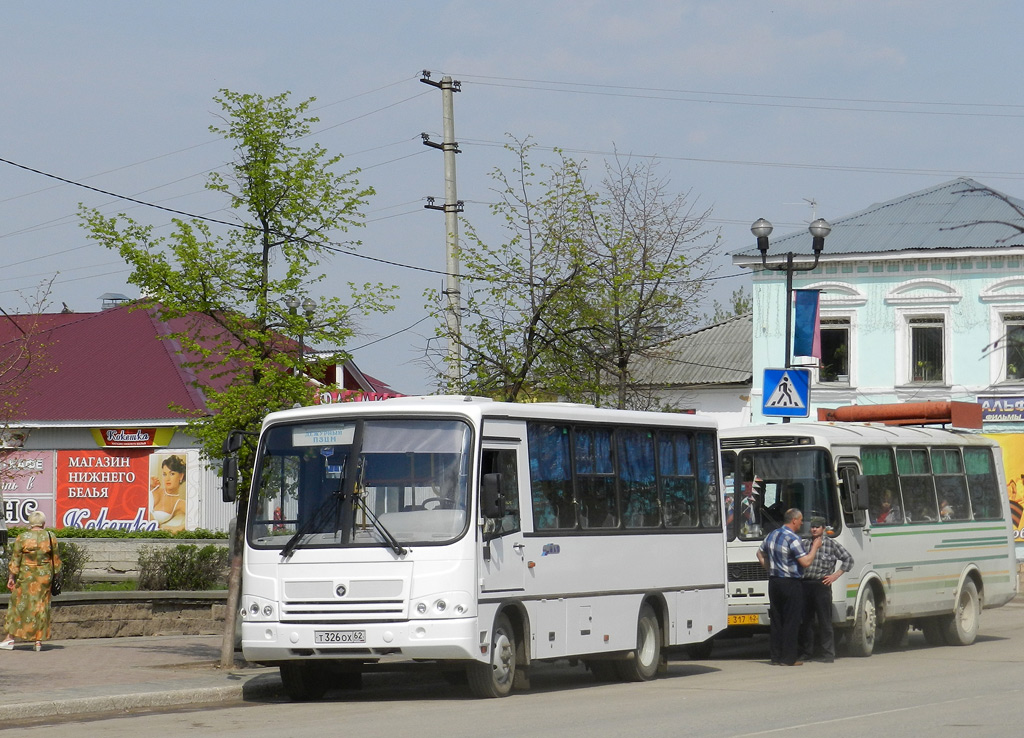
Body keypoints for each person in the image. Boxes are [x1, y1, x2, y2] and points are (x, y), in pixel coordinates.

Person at [756, 508, 822, 666]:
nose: (801, 523)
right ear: (794, 520)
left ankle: (776, 656)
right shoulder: (793, 539)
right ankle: (788, 658)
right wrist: (815, 547)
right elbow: (805, 562)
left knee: (777, 620)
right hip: (791, 583)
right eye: (800, 520)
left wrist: (771, 569)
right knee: (791, 621)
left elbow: (759, 554)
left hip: (774, 581)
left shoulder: (772, 534)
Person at [1, 510, 62, 652]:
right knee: (41, 606)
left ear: (30, 522)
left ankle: (10, 638)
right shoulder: (50, 536)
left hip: (26, 576)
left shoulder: (22, 537)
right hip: (44, 577)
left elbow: (15, 560)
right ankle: (38, 641)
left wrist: (11, 577)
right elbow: (56, 560)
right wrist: (56, 576)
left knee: (18, 605)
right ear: (43, 523)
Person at [799, 516, 855, 663]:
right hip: (805, 584)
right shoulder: (804, 544)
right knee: (806, 622)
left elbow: (848, 559)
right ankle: (807, 652)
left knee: (825, 621)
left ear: (824, 528)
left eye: (817, 527)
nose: (814, 529)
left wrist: (835, 576)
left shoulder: (831, 544)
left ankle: (828, 653)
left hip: (822, 585)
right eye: (812, 527)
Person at [150, 454, 187, 533]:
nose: (167, 478)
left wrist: (178, 528)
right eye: (164, 474)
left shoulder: (180, 504)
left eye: (172, 474)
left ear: (181, 476)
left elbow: (197, 519)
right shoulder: (154, 488)